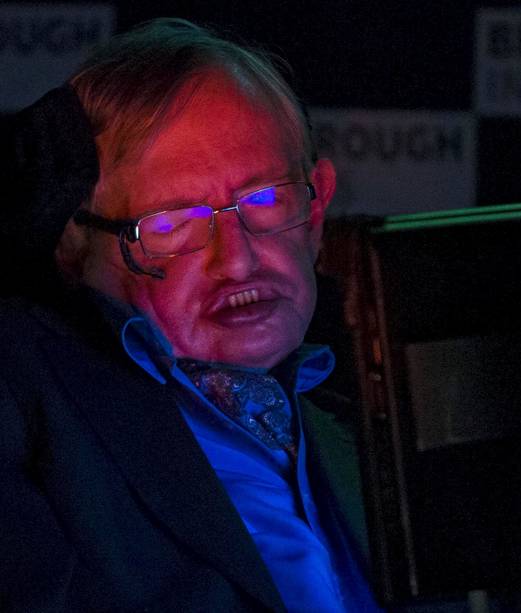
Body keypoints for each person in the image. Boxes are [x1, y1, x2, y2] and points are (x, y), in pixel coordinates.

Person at [0, 18, 379, 612]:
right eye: (174, 224)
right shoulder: (28, 402)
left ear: (317, 208)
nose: (239, 261)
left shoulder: (381, 430)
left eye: (264, 200)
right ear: (73, 246)